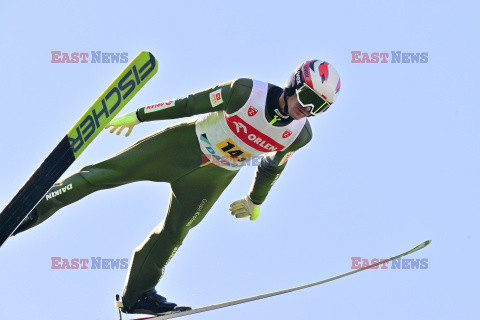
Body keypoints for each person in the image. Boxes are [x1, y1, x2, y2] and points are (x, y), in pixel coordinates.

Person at [14, 59, 341, 315]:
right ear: (294, 84)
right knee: (102, 175)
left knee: (174, 234)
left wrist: (255, 200)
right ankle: (30, 211)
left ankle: (138, 295)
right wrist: (140, 116)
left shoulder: (300, 135)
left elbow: (272, 167)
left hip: (212, 178)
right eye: (309, 97)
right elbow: (188, 104)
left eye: (320, 107)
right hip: (181, 148)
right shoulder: (246, 92)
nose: (308, 109)